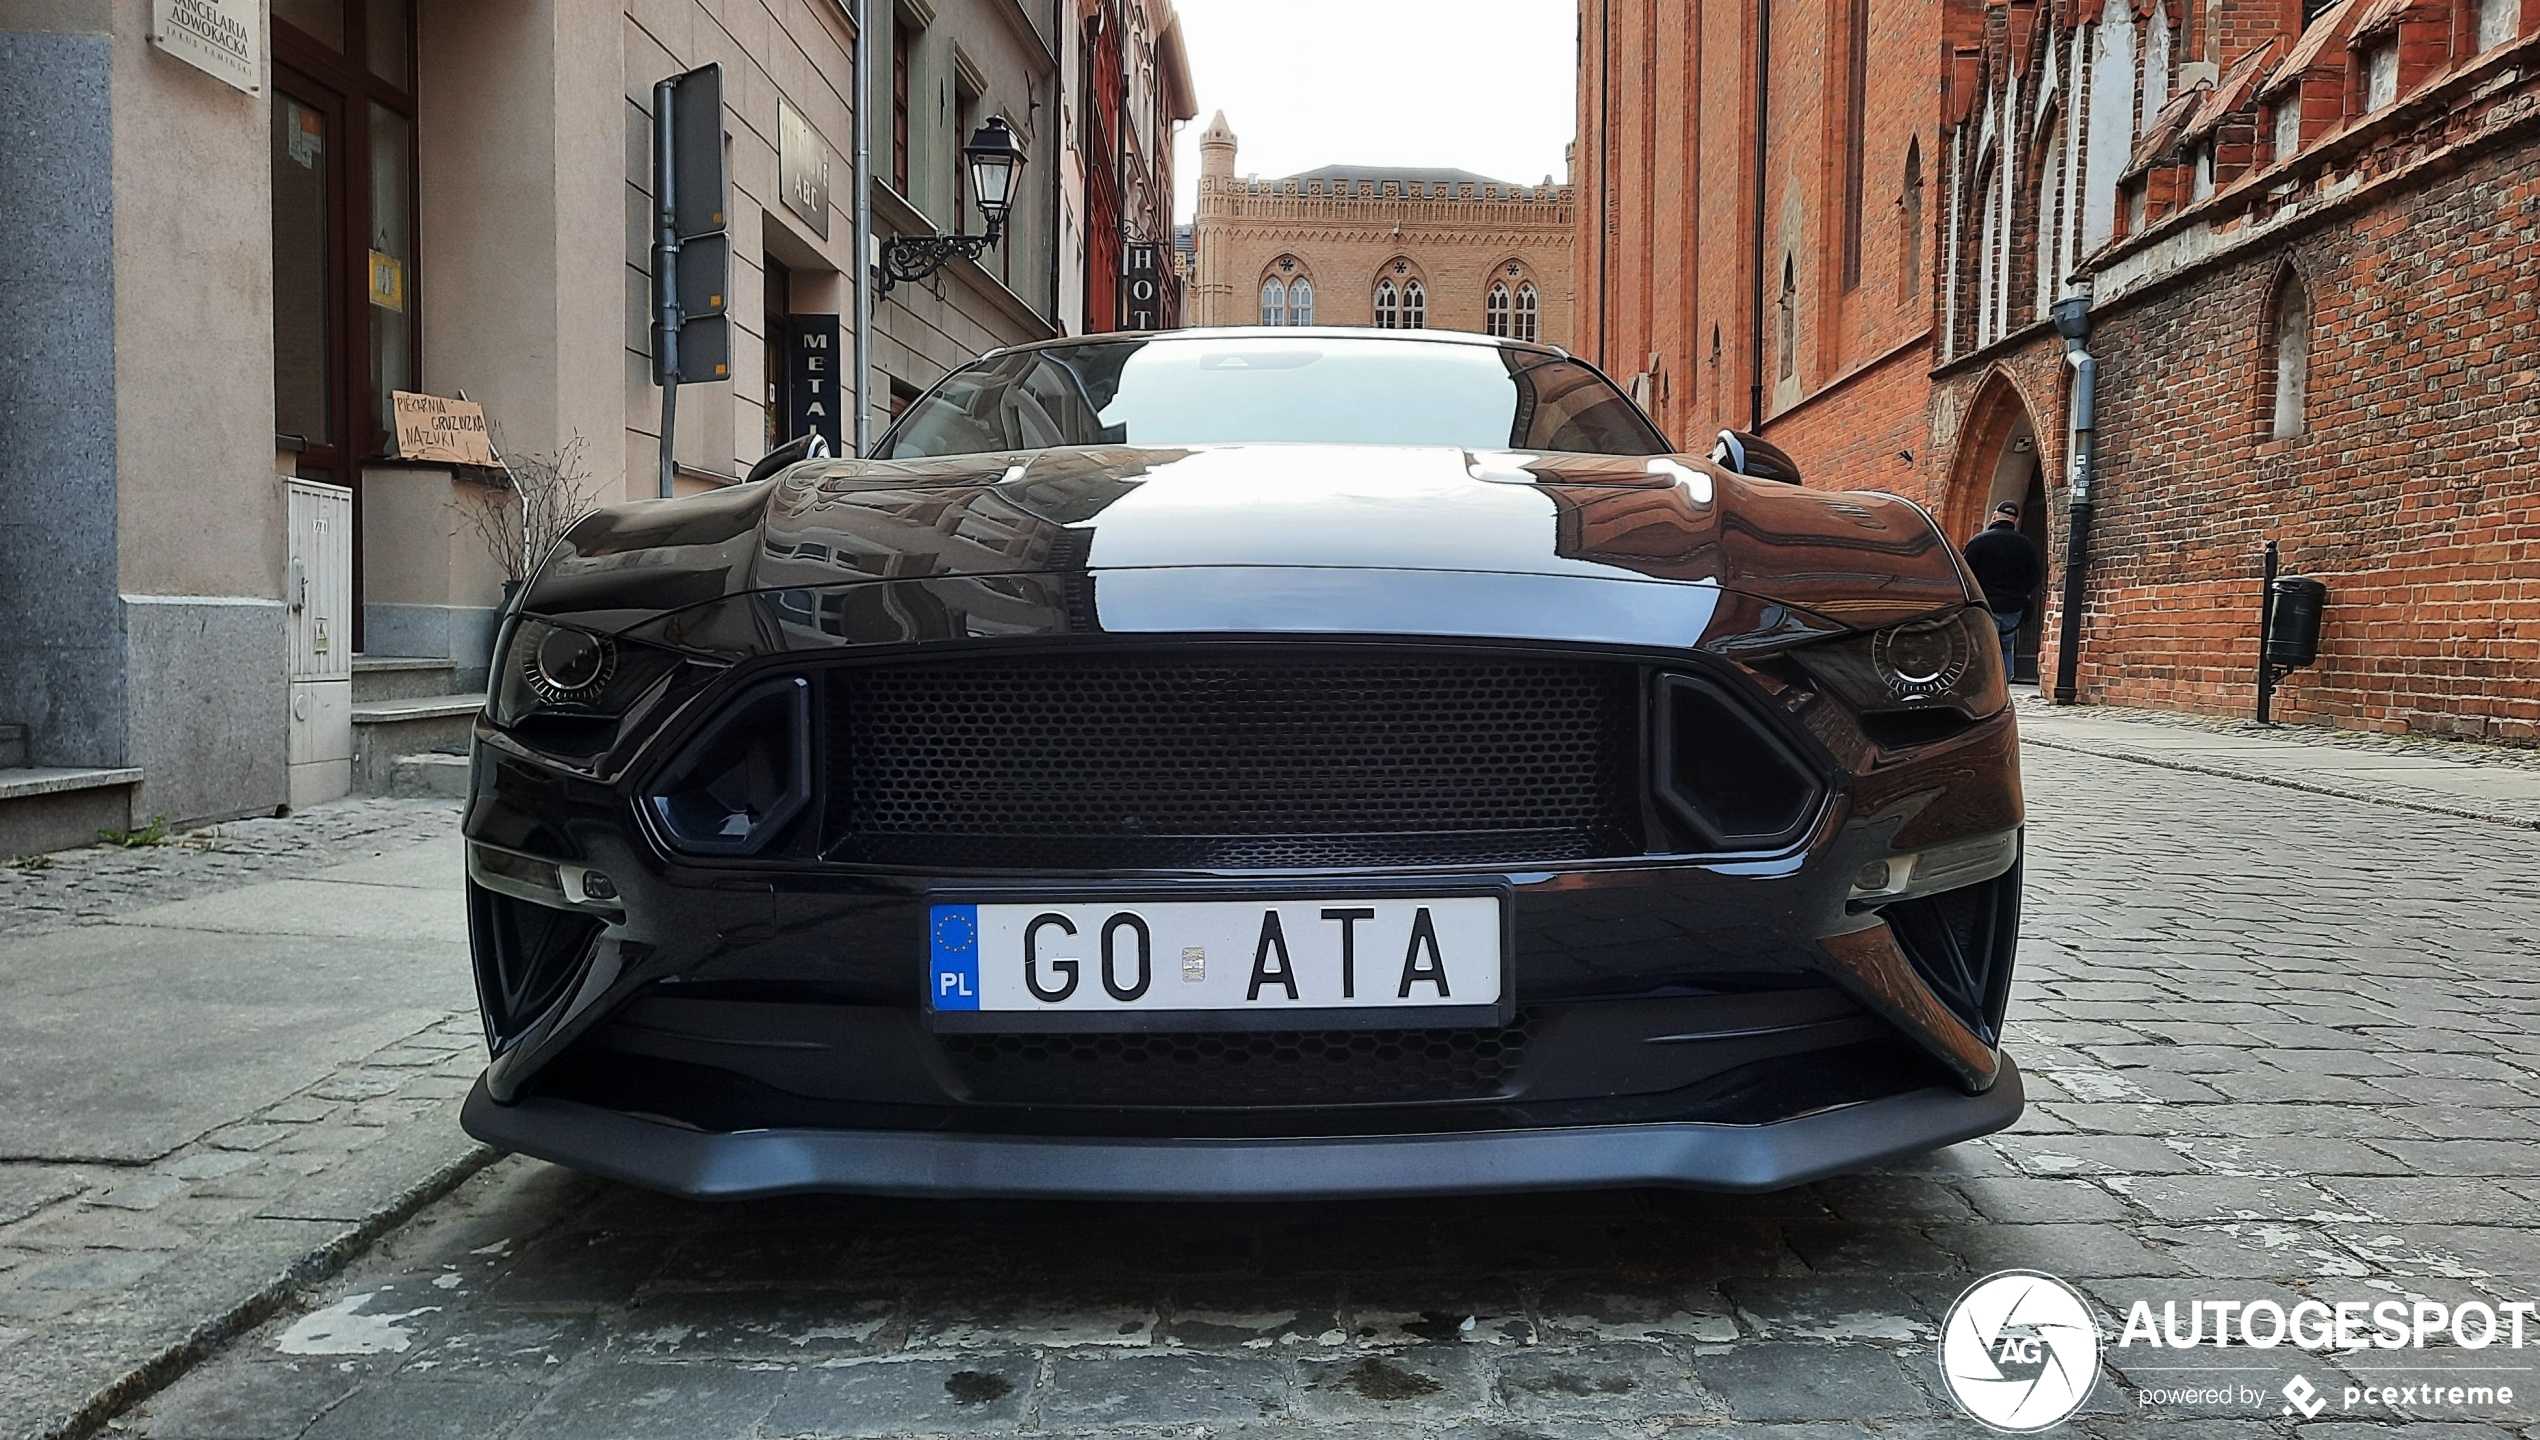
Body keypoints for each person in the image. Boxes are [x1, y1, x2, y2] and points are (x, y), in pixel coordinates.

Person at [1962, 502, 2042, 680]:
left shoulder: (1979, 541)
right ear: (2015, 520)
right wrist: (2023, 592)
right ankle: (2004, 685)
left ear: (1994, 516)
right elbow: (2035, 574)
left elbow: (1965, 572)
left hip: (1986, 604)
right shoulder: (2025, 544)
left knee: (1985, 648)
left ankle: (1986, 686)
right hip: (2013, 606)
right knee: (2006, 646)